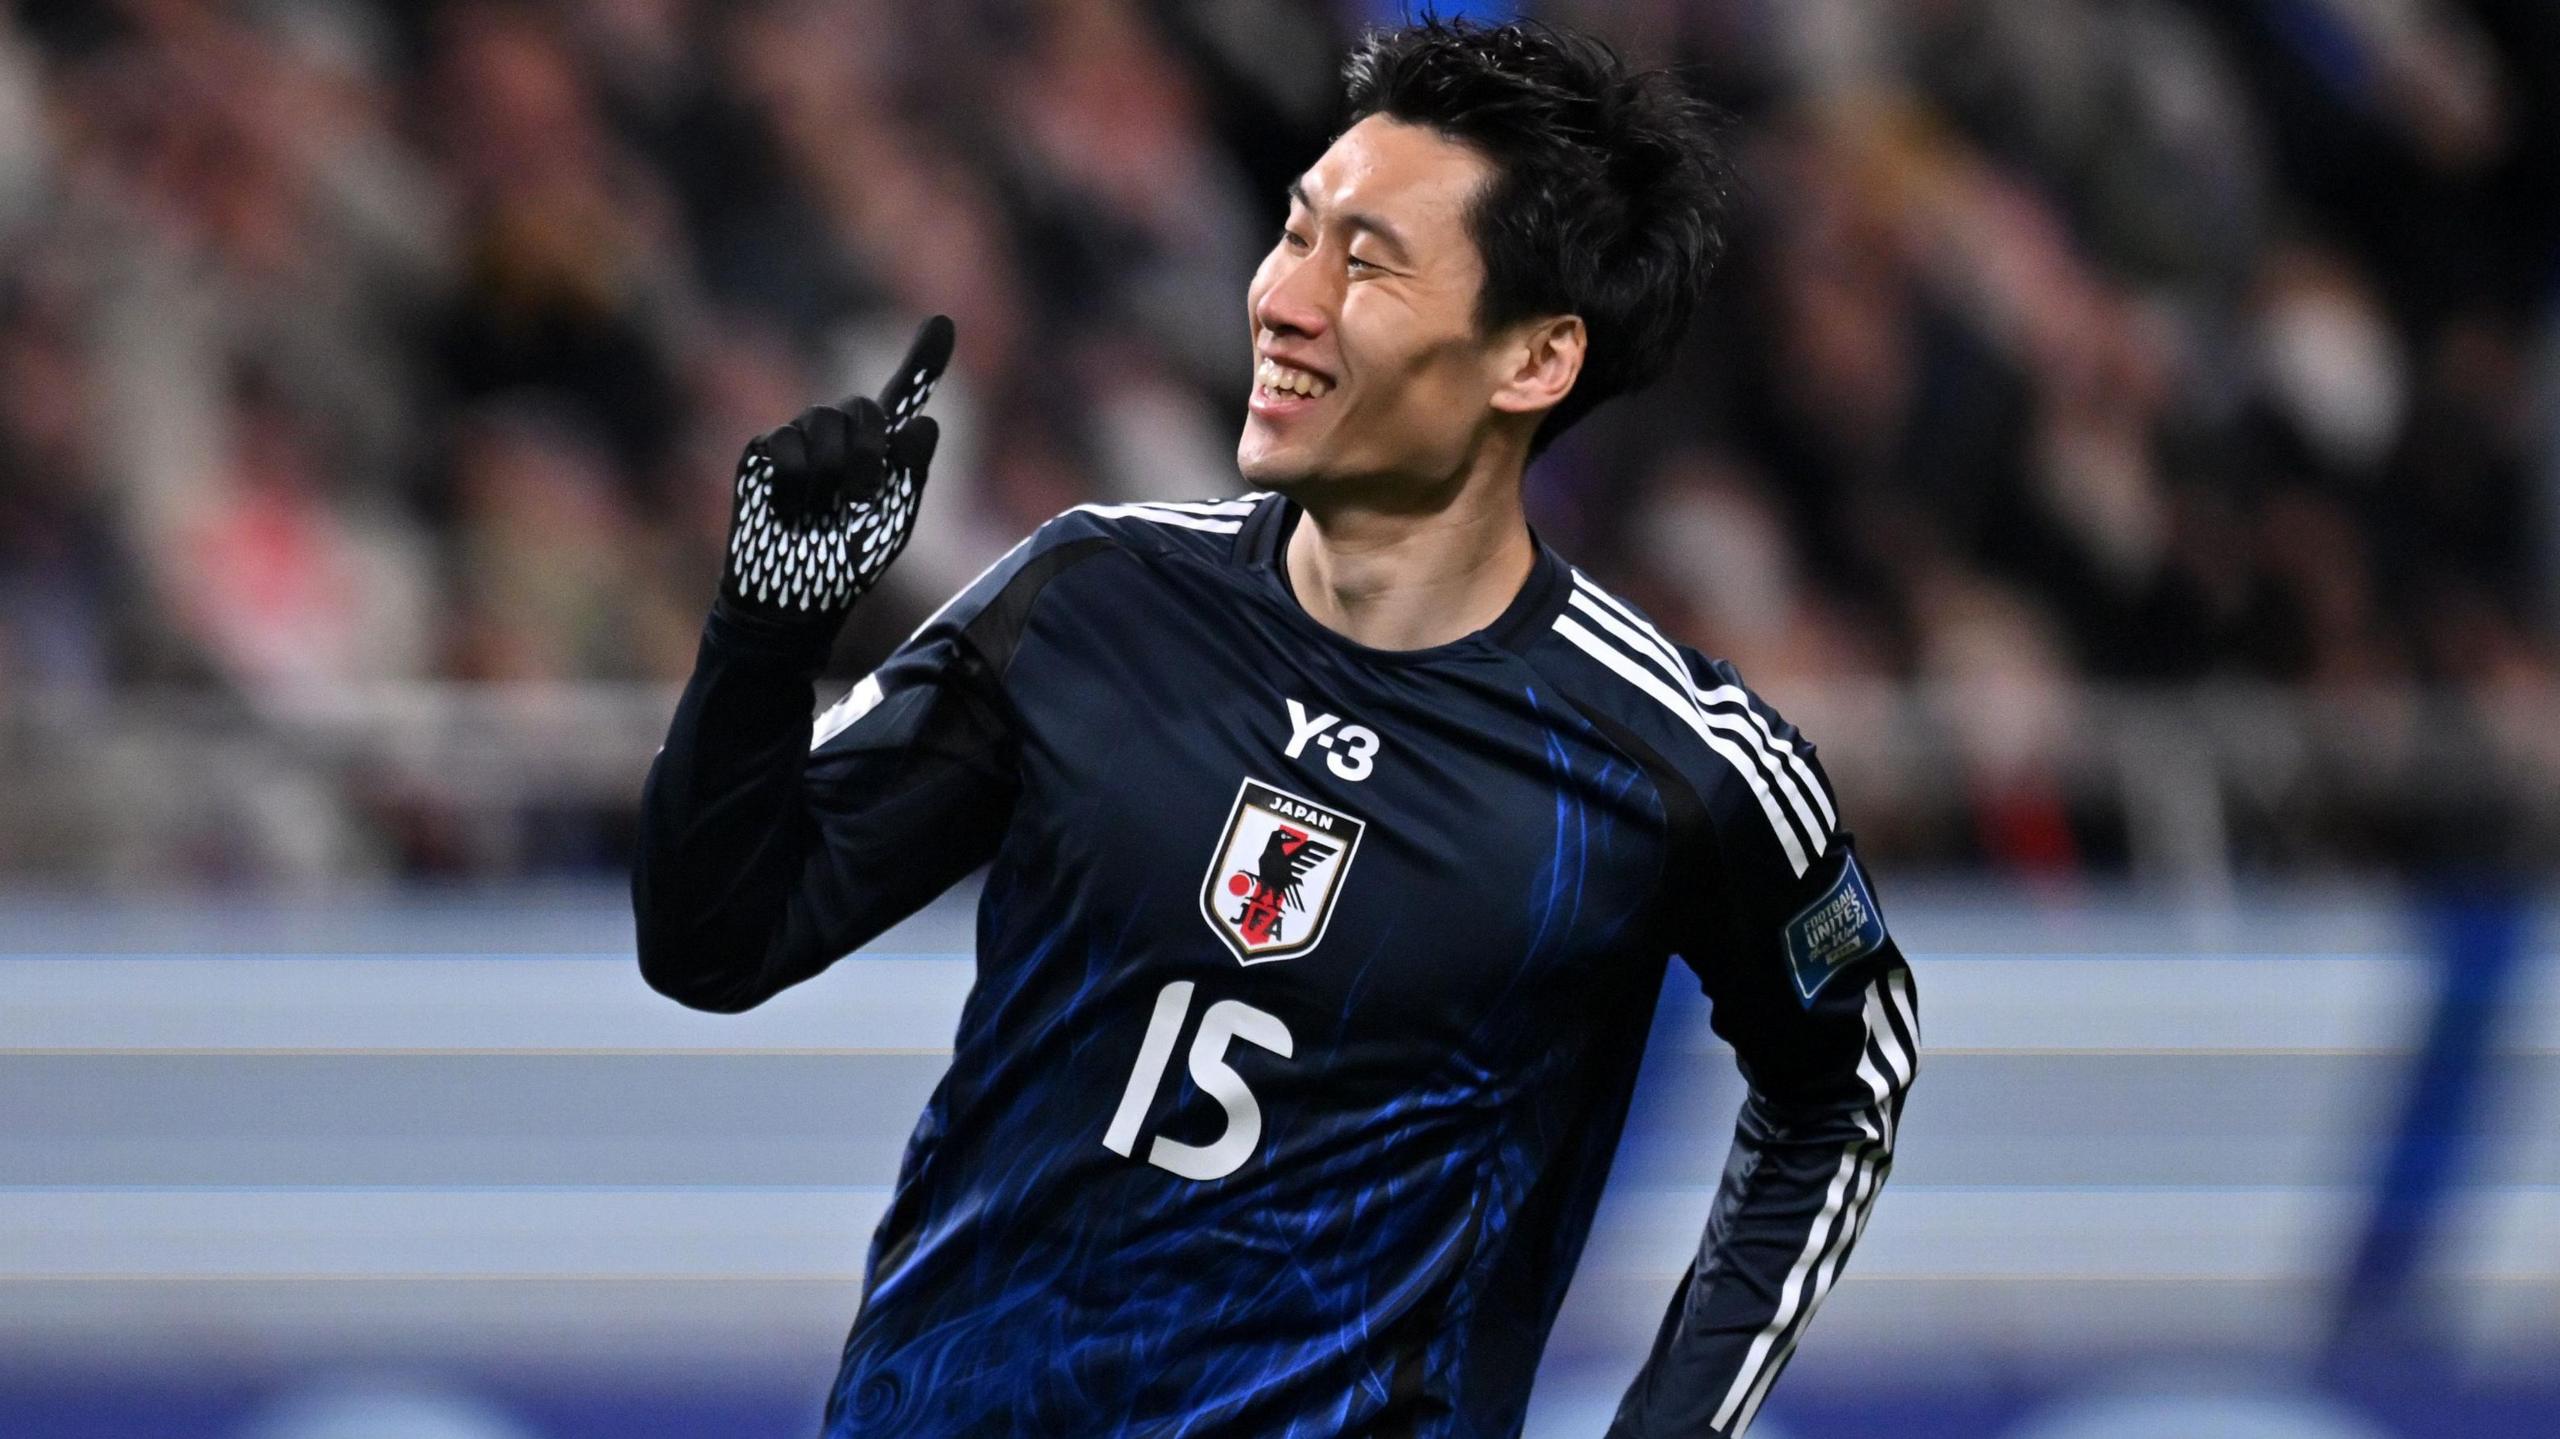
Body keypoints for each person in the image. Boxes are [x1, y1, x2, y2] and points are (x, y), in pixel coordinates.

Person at [632, 18, 1918, 1438]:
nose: (1285, 300)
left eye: (1364, 264)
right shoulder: (1092, 597)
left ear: (1536, 360)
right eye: (1294, 233)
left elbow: (1845, 1077)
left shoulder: (1674, 765)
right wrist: (769, 628)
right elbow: (719, 939)